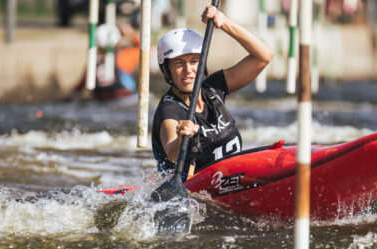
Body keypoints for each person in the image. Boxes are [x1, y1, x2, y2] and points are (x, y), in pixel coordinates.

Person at [151, 5, 273, 179]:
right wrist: (180, 138)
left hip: (233, 179)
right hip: (194, 194)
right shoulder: (169, 109)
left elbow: (264, 56)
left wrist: (224, 23)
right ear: (167, 70)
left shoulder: (213, 89)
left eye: (194, 61)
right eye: (179, 64)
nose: (188, 70)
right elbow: (171, 152)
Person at [68, 22, 140, 103]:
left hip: (102, 100)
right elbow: (146, 48)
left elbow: (80, 86)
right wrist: (130, 33)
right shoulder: (123, 56)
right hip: (123, 97)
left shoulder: (93, 61)